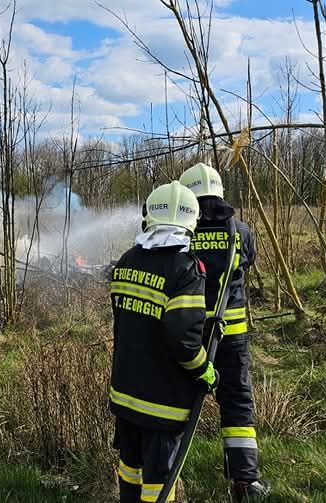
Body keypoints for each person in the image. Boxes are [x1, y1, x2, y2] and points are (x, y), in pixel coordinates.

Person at [109, 181, 217, 503]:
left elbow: (122, 321)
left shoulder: (126, 261)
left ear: (149, 217)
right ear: (191, 222)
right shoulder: (187, 270)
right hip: (162, 404)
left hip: (125, 394)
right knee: (159, 480)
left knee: (130, 467)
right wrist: (204, 370)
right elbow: (183, 340)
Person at [179, 162, 271, 501]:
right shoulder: (241, 232)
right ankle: (245, 482)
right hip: (232, 336)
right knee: (236, 403)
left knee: (177, 399)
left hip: (188, 334)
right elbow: (247, 262)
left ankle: (168, 476)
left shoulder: (183, 230)